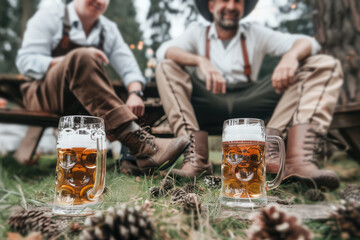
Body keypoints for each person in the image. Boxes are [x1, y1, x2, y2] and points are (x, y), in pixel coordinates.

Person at [155, 0, 343, 190]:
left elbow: (309, 42)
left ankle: (287, 157)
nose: (231, 6)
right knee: (166, 67)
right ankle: (195, 159)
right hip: (207, 102)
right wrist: (199, 61)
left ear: (243, 8)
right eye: (224, 1)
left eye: (237, 1)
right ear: (211, 6)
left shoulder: (255, 32)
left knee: (322, 63)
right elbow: (164, 51)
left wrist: (290, 56)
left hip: (252, 103)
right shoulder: (197, 32)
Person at [16, 0, 189, 171]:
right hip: (42, 94)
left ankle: (135, 157)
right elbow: (25, 61)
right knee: (82, 58)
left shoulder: (108, 29)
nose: (100, 1)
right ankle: (143, 147)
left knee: (124, 94)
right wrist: (71, 60)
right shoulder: (52, 14)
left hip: (83, 103)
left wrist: (135, 93)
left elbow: (130, 69)